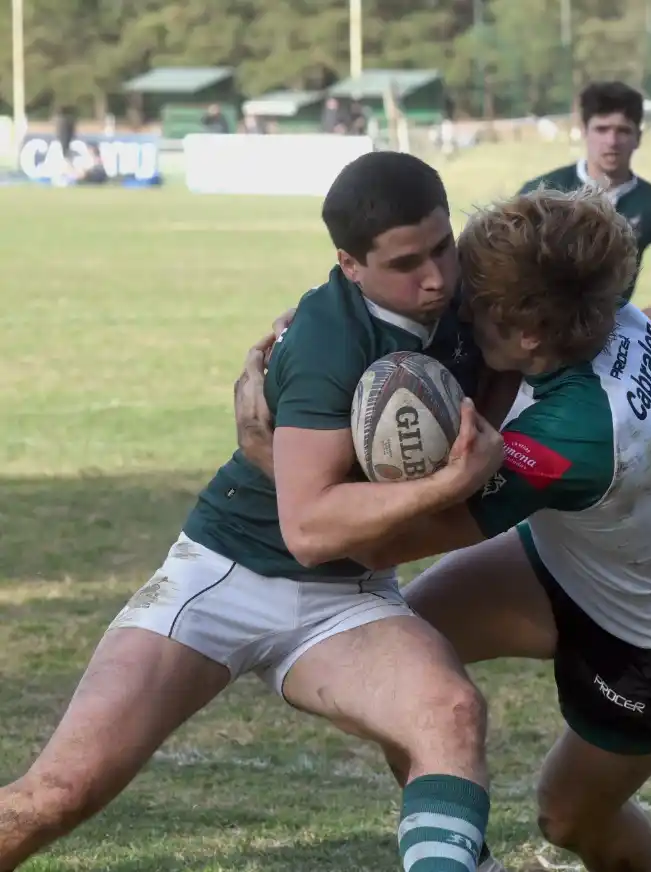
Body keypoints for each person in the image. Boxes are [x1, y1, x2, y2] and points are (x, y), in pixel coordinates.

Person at [0, 152, 511, 872]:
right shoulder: (331, 338)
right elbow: (307, 530)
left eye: (442, 247)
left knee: (448, 713)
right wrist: (452, 482)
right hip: (225, 578)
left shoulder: (464, 304)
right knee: (59, 792)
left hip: (349, 600)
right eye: (405, 263)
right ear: (350, 263)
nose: (434, 277)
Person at [235, 187, 651, 872]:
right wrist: (332, 333)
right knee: (408, 679)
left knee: (568, 820)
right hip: (568, 564)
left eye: (476, 305)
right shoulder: (600, 311)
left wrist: (274, 456)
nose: (457, 307)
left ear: (528, 331)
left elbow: (380, 544)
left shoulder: (576, 436)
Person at [519, 81, 651, 323]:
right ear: (584, 130)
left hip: (611, 337)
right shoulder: (540, 193)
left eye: (623, 130)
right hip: (543, 333)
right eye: (602, 129)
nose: (612, 141)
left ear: (638, 137)